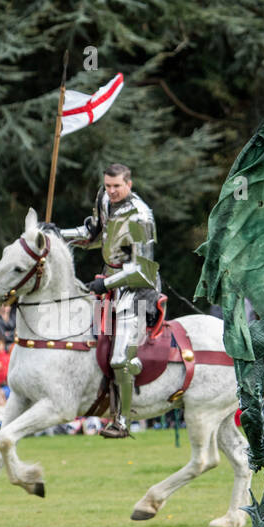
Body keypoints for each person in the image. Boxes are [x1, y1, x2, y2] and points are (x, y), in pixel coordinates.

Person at [60, 163, 160, 438]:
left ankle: (124, 422)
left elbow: (143, 269)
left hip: (137, 289)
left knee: (119, 359)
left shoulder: (141, 216)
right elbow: (94, 234)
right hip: (108, 280)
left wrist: (105, 283)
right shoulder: (104, 199)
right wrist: (58, 234)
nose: (112, 191)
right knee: (89, 343)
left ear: (129, 183)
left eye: (117, 186)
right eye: (108, 186)